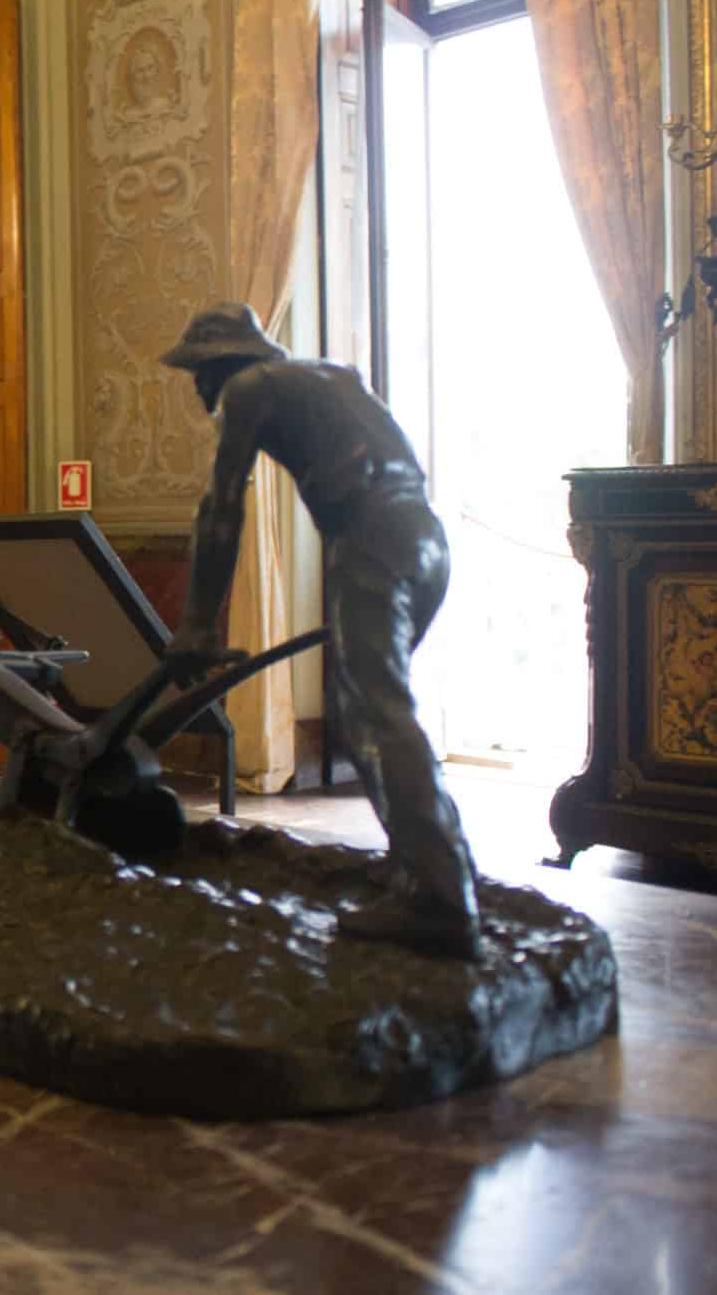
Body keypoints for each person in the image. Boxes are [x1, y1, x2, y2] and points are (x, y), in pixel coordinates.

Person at [161, 303, 481, 958]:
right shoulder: (330, 375)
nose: (197, 388)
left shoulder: (249, 388)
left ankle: (443, 898)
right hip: (422, 540)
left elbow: (222, 505)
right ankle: (433, 863)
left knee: (373, 712)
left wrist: (195, 624)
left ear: (227, 360)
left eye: (199, 371)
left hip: (372, 541)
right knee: (370, 707)